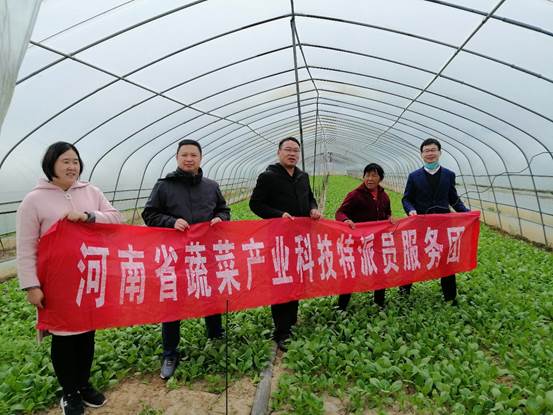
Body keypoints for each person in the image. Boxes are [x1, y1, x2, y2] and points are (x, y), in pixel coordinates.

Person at [17, 142, 122, 415]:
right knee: (64, 336)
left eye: (75, 161)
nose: (72, 166)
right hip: (56, 283)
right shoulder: (34, 200)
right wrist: (31, 285)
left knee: (87, 333)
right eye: (65, 161)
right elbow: (26, 247)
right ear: (51, 164)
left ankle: (84, 384)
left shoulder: (91, 192)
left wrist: (88, 216)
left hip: (89, 277)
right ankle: (70, 392)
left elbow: (116, 218)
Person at [142, 138, 230, 380]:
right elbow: (149, 214)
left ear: (200, 158)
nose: (189, 159)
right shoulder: (164, 186)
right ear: (177, 158)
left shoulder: (211, 186)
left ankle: (215, 334)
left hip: (205, 253)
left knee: (210, 292)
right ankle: (170, 352)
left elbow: (223, 209)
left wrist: (221, 218)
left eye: (193, 155)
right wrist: (171, 222)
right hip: (176, 255)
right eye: (185, 155)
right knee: (173, 302)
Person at [249, 136, 321, 352]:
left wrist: (313, 208)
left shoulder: (302, 176)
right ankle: (281, 332)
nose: (292, 154)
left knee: (297, 279)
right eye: (288, 150)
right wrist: (279, 215)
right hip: (279, 241)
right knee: (281, 282)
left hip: (300, 239)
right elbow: (255, 204)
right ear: (279, 152)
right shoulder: (268, 177)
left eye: (295, 151)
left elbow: (310, 197)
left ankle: (291, 321)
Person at [401, 138, 469, 304]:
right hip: (420, 225)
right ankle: (403, 292)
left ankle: (450, 297)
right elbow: (406, 198)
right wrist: (411, 210)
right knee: (414, 257)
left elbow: (453, 199)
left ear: (439, 152)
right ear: (422, 154)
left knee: (446, 259)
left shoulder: (448, 175)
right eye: (426, 151)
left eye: (433, 150)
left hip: (443, 225)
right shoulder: (414, 176)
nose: (430, 154)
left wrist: (467, 213)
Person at [335, 163, 394, 310]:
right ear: (363, 177)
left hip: (377, 241)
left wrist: (389, 218)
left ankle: (379, 303)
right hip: (358, 242)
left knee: (380, 272)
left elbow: (387, 212)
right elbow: (340, 212)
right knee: (352, 273)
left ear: (380, 178)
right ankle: (342, 306)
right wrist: (345, 220)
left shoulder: (384, 196)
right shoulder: (355, 195)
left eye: (374, 175)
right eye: (367, 175)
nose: (370, 179)